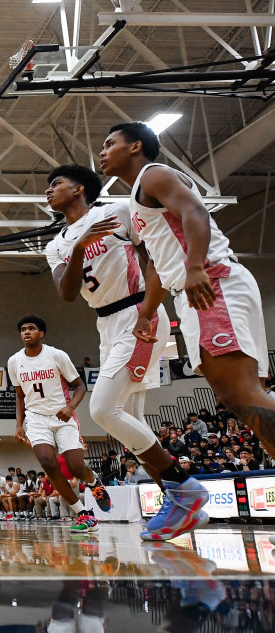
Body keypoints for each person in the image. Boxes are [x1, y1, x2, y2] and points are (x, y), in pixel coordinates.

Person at [101, 120, 268, 539]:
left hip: (209, 281)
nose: (102, 152)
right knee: (241, 398)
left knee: (240, 395)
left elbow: (194, 212)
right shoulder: (139, 204)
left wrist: (194, 266)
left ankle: (186, 499)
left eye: (110, 144)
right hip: (193, 290)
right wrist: (147, 311)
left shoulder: (153, 175)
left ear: (136, 146)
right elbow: (158, 262)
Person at [44, 163, 201, 538]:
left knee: (101, 409)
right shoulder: (56, 245)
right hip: (106, 323)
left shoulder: (116, 212)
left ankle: (184, 488)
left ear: (80, 187)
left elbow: (154, 262)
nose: (48, 190)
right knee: (131, 427)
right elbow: (66, 294)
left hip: (138, 314)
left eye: (56, 183)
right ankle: (180, 506)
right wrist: (80, 247)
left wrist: (148, 312)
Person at [9, 315, 110, 532]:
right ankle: (83, 514)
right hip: (36, 419)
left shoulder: (56, 355)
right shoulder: (14, 361)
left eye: (32, 328)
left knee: (75, 467)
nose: (26, 332)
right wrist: (19, 424)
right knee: (47, 462)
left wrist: (70, 407)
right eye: (23, 329)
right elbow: (19, 396)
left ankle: (94, 483)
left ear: (41, 333)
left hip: (62, 416)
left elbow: (80, 386)